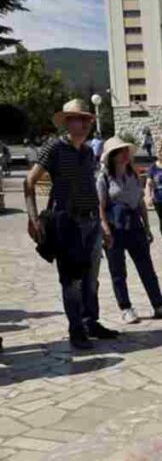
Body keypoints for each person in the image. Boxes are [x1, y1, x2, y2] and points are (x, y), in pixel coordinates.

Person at [25, 99, 120, 350]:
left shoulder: (87, 151)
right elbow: (29, 181)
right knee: (72, 281)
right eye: (81, 119)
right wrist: (33, 219)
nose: (87, 124)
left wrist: (102, 223)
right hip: (68, 223)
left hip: (91, 222)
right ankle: (76, 330)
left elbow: (90, 187)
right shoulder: (54, 148)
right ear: (69, 122)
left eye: (88, 119)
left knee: (91, 279)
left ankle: (91, 323)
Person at [98, 137, 162, 324]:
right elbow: (100, 206)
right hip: (114, 227)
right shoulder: (103, 178)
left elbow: (140, 202)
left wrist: (148, 227)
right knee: (118, 271)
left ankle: (158, 305)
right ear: (113, 156)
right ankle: (125, 308)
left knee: (147, 268)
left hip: (134, 226)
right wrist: (105, 230)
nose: (126, 154)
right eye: (122, 151)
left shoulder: (132, 175)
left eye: (127, 150)